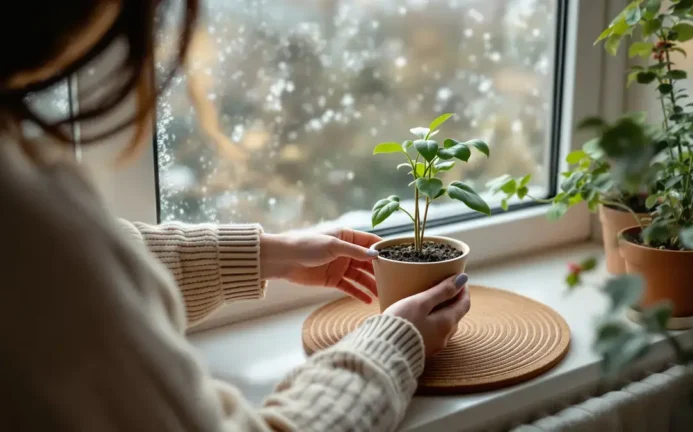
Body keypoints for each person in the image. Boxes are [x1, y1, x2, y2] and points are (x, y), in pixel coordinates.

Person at [0, 1, 471, 431]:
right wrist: (395, 342)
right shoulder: (28, 217)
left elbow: (94, 271)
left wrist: (260, 254)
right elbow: (70, 274)